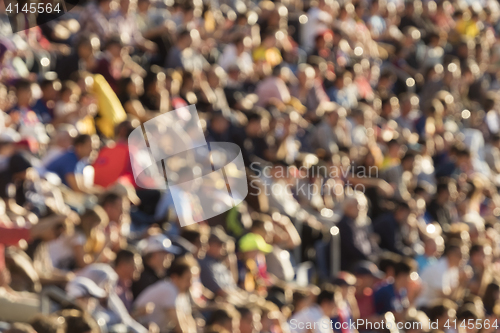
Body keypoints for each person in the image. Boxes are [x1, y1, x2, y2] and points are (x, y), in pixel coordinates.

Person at [134, 259, 197, 333]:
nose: (190, 284)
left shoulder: (180, 292)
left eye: (191, 280)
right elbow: (180, 328)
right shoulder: (168, 290)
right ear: (175, 278)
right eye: (187, 279)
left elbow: (188, 320)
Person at [132, 234, 180, 299]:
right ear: (154, 255)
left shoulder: (158, 277)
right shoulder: (141, 278)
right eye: (165, 253)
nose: (170, 257)